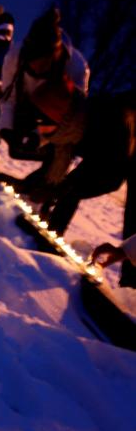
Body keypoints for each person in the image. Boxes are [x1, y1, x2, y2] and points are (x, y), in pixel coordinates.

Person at [0, 8, 89, 191]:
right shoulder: (15, 55)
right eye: (32, 63)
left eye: (42, 64)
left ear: (54, 55)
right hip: (24, 103)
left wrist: (39, 138)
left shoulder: (76, 68)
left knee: (60, 150)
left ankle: (39, 188)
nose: (36, 69)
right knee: (3, 131)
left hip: (53, 117)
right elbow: (8, 97)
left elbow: (70, 121)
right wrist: (6, 130)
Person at [46, 90, 136, 287]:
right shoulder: (97, 118)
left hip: (119, 157)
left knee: (75, 188)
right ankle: (52, 230)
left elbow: (108, 175)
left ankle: (131, 285)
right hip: (115, 146)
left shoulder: (113, 128)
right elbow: (83, 165)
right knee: (72, 187)